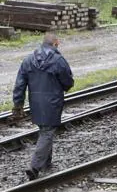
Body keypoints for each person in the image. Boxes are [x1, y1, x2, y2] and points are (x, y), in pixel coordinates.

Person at [12, 32, 74, 181]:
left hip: (36, 103)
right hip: (52, 102)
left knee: (45, 129)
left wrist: (18, 105)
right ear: (55, 43)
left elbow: (20, 85)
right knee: (47, 132)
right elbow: (68, 83)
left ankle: (47, 163)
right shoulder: (58, 60)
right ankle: (34, 167)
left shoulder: (28, 60)